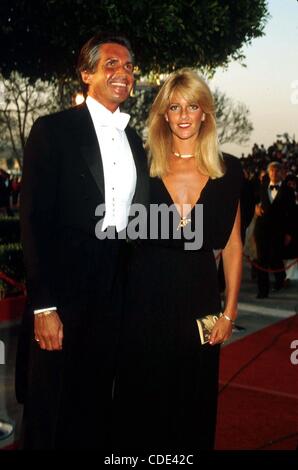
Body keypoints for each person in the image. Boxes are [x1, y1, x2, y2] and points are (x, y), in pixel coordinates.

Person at [15, 33, 148, 450]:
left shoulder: (135, 141)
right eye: (111, 64)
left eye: (128, 66)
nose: (123, 73)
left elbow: (140, 222)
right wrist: (43, 305)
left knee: (94, 406)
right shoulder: (53, 130)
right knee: (50, 407)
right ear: (86, 72)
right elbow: (33, 221)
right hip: (62, 293)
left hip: (115, 295)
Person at [114, 69, 243, 452]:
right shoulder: (141, 166)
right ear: (163, 115)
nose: (184, 115)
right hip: (143, 304)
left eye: (192, 106)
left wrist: (229, 312)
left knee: (193, 403)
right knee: (142, 405)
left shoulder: (228, 169)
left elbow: (233, 246)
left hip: (199, 303)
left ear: (205, 113)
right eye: (174, 107)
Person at [254, 161, 296, 298]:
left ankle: (280, 279)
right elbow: (254, 202)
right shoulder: (262, 187)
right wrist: (256, 208)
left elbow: (292, 214)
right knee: (262, 260)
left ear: (282, 173)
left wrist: (289, 233)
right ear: (268, 172)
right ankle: (262, 291)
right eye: (272, 170)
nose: (274, 173)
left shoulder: (289, 191)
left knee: (275, 259)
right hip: (262, 230)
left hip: (278, 230)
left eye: (277, 171)